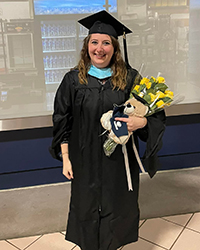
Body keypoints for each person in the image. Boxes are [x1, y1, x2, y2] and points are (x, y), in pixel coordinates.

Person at [50, 10, 166, 250]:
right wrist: (66, 158)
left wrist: (141, 123)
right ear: (87, 46)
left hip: (119, 160)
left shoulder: (130, 78)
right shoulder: (73, 81)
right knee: (85, 204)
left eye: (106, 43)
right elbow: (62, 120)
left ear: (115, 48)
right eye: (94, 42)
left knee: (118, 204)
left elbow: (154, 116)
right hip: (84, 159)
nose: (99, 49)